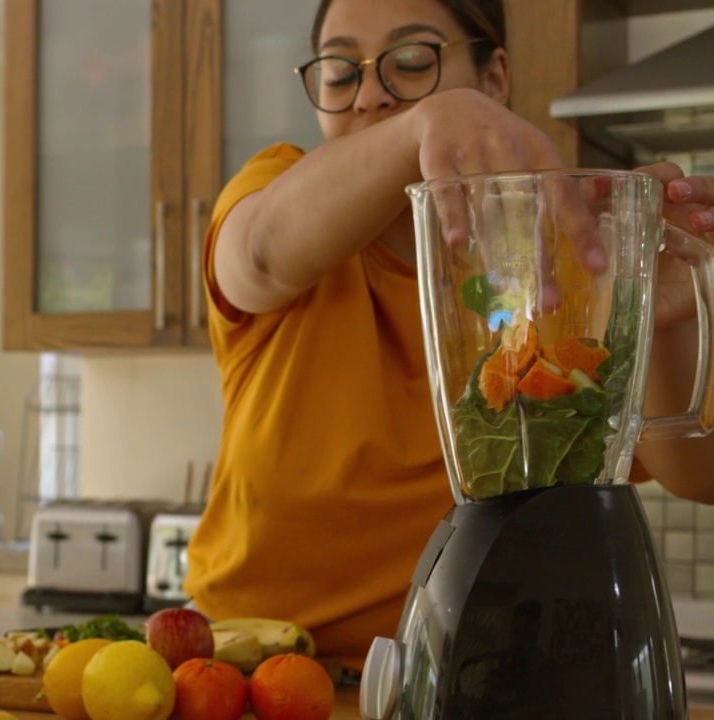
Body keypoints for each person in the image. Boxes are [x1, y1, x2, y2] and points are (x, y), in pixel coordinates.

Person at [182, 0, 714, 675]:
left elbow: (699, 475)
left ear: (494, 79)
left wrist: (660, 316)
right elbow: (257, 253)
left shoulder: (562, 255)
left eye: (411, 62)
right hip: (247, 671)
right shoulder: (274, 188)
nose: (371, 95)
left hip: (477, 677)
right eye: (341, 73)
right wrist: (424, 122)